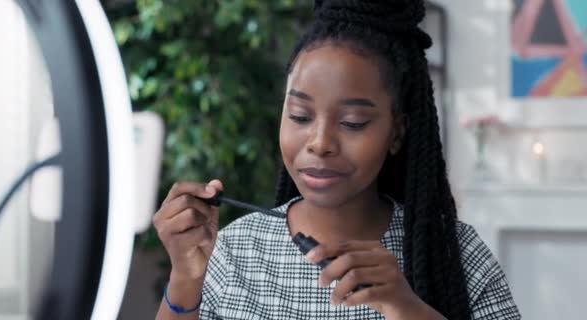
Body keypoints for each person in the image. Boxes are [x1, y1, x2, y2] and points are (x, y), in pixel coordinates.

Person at [153, 0, 521, 319]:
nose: (320, 143)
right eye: (299, 115)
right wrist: (185, 278)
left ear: (396, 133)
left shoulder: (453, 255)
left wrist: (406, 308)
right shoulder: (235, 252)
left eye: (352, 123)